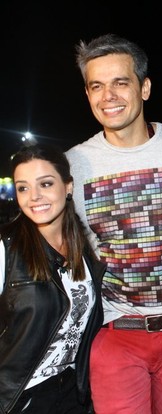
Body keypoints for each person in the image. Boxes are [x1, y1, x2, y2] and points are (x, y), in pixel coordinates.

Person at [65, 34, 162, 414]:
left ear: (144, 88)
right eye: (97, 86)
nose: (108, 95)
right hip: (116, 334)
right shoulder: (74, 165)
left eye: (120, 82)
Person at [0, 143, 105, 413]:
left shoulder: (84, 248)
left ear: (68, 187)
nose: (34, 196)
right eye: (23, 187)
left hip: (73, 393)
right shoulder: (6, 248)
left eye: (45, 184)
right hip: (19, 398)